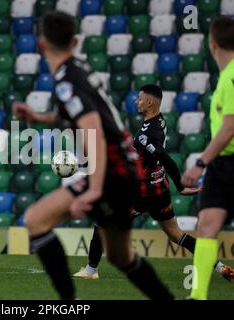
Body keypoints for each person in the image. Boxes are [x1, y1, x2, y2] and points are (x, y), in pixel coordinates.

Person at [13, 12, 174, 300]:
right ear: (75, 41)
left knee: (35, 220)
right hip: (126, 168)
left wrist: (95, 189)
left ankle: (68, 303)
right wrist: (38, 117)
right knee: (120, 257)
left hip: (111, 173)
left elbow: (94, 131)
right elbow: (84, 115)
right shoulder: (80, 68)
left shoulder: (66, 80)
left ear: (40, 45)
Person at [72, 84, 234, 282]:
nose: (136, 101)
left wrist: (181, 186)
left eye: (139, 98)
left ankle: (91, 270)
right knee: (176, 233)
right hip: (160, 188)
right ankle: (220, 266)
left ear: (149, 103)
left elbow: (163, 157)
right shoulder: (159, 121)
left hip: (142, 192)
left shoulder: (145, 134)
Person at [181, 16, 234, 300]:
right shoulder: (225, 76)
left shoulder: (233, 74)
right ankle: (198, 296)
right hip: (221, 165)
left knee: (207, 226)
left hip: (226, 162)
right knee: (207, 225)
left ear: (212, 44)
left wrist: (200, 163)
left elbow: (230, 126)